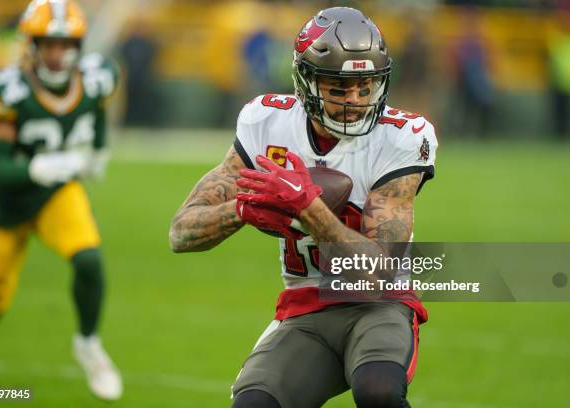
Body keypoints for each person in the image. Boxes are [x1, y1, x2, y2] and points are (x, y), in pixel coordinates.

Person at [170, 7, 437, 408]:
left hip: (378, 306)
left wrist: (305, 206)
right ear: (306, 81)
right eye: (339, 86)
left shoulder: (400, 137)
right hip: (306, 306)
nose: (355, 100)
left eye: (365, 86)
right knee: (255, 403)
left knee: (378, 391)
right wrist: (242, 209)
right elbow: (181, 233)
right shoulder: (267, 123)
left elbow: (381, 271)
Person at [0, 0, 122, 401]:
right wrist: (37, 169)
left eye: (65, 44)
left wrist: (97, 151)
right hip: (7, 208)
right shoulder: (8, 89)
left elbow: (96, 112)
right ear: (30, 45)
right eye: (48, 43)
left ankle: (88, 343)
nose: (56, 53)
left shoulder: (96, 78)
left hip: (55, 197)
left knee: (88, 258)